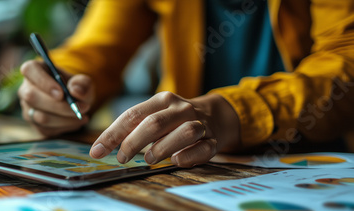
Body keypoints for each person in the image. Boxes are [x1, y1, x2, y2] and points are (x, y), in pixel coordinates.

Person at [18, 0, 354, 168]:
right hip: (194, 171)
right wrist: (60, 84)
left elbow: (346, 62)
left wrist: (231, 113)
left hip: (324, 167)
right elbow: (97, 49)